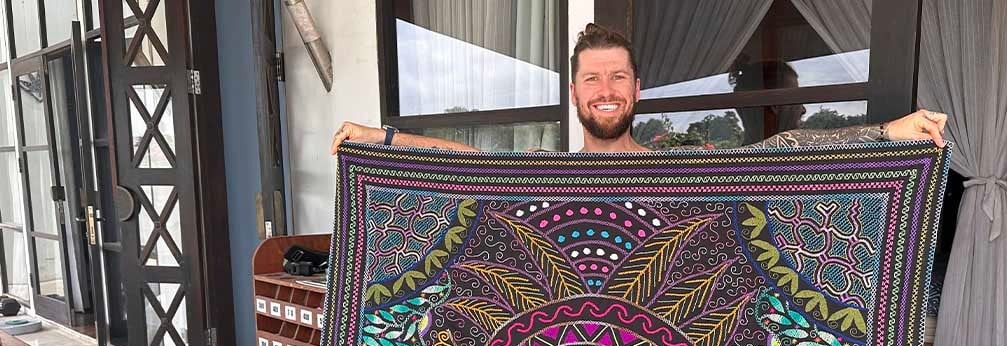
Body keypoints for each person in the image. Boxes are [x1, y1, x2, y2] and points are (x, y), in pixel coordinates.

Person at [330, 23, 946, 156]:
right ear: (574, 94)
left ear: (636, 90)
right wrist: (379, 138)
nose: (605, 90)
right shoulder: (549, 173)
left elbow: (780, 152)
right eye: (592, 79)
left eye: (617, 77)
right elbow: (468, 161)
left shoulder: (680, 168)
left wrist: (889, 133)